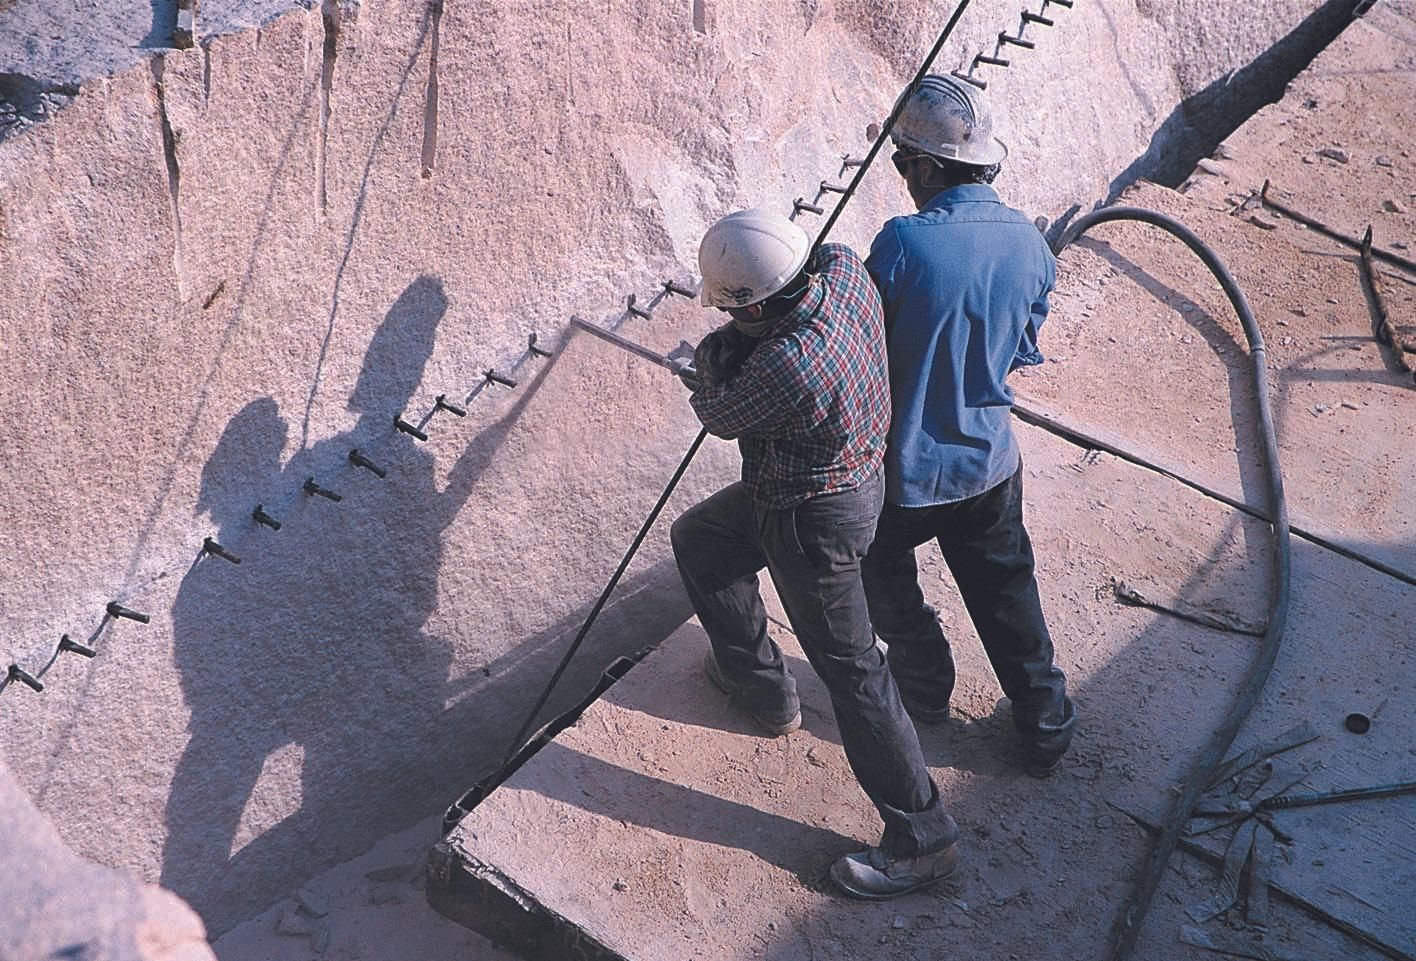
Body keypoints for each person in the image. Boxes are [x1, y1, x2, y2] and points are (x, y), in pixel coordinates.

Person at [669, 208, 961, 900]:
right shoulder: (846, 273)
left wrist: (709, 358)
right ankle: (763, 691)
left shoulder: (788, 364)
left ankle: (924, 838)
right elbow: (820, 253)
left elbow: (718, 411)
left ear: (759, 306)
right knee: (702, 542)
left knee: (855, 672)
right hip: (857, 483)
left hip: (806, 519)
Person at [861, 75, 1076, 779]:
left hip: (905, 471)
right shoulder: (1032, 245)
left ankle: (925, 685)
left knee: (879, 569)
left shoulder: (901, 244)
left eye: (902, 161)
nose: (902, 176)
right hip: (989, 464)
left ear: (927, 166)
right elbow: (1020, 349)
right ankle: (1046, 723)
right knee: (1008, 594)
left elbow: (858, 353)